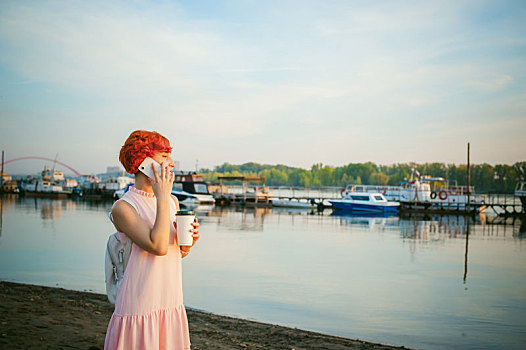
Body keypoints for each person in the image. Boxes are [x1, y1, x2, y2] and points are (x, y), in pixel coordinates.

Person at [105, 130, 199, 350]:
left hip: (169, 299)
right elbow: (157, 247)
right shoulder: (124, 207)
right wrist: (163, 197)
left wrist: (189, 242)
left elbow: (176, 253)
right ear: (143, 162)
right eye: (164, 156)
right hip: (140, 303)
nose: (172, 163)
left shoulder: (172, 201)